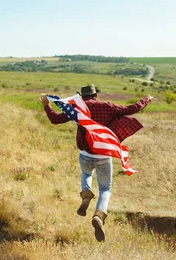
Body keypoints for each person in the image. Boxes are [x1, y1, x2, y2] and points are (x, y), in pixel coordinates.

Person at [40, 85, 153, 242]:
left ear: (82, 96)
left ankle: (86, 195)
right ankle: (99, 215)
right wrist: (146, 99)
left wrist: (47, 106)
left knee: (86, 173)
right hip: (103, 154)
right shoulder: (107, 106)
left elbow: (55, 120)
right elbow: (131, 109)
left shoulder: (78, 108)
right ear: (95, 95)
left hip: (85, 154)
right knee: (105, 189)